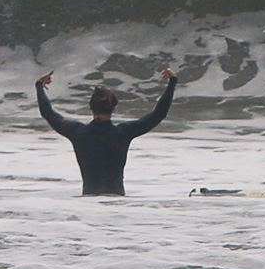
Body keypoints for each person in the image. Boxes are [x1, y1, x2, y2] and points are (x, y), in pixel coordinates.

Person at [35, 66, 177, 195]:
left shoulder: (78, 132)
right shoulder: (123, 132)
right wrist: (172, 82)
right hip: (116, 204)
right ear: (114, 107)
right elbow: (159, 114)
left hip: (89, 203)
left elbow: (48, 113)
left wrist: (39, 86)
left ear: (91, 106)